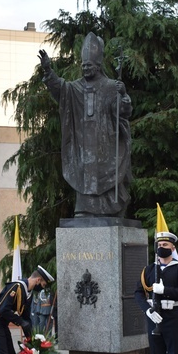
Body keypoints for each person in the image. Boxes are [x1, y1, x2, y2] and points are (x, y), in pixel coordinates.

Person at [39, 32, 132, 217]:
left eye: (89, 65)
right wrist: (49, 72)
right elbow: (59, 88)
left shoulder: (110, 86)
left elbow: (123, 111)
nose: (85, 68)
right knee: (84, 174)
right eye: (83, 65)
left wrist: (123, 94)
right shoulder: (75, 88)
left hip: (106, 142)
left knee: (107, 174)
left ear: (98, 66)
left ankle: (110, 209)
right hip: (82, 144)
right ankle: (84, 209)